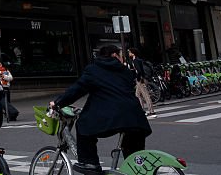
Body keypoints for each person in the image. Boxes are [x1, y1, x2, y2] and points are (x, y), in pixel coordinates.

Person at [51, 45, 151, 174]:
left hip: (112, 115)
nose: (122, 58)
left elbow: (77, 90)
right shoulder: (125, 71)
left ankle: (89, 163)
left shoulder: (93, 70)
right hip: (135, 117)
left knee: (83, 125)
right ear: (114, 55)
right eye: (121, 55)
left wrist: (58, 102)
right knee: (135, 159)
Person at [126, 48, 155, 117]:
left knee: (145, 95)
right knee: (137, 95)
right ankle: (142, 110)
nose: (129, 54)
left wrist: (138, 78)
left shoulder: (135, 61)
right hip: (140, 79)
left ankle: (151, 111)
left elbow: (139, 71)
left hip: (140, 80)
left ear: (133, 53)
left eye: (130, 52)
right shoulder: (137, 60)